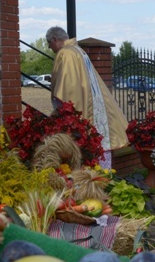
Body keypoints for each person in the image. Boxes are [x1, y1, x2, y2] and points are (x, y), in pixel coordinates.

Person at [45, 26, 129, 168]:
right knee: (99, 141)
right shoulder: (79, 51)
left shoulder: (65, 53)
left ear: (54, 39)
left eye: (49, 43)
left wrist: (61, 107)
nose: (50, 48)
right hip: (95, 103)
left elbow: (67, 88)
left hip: (83, 105)